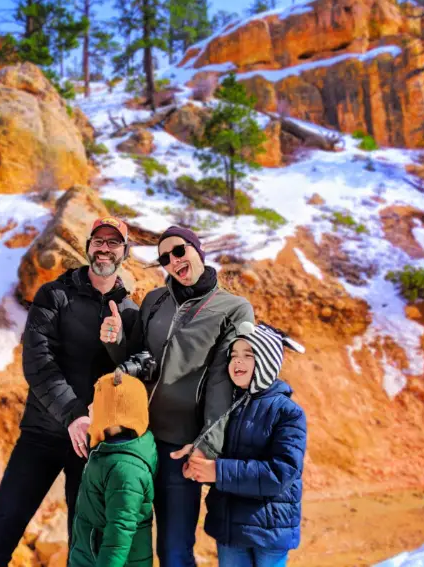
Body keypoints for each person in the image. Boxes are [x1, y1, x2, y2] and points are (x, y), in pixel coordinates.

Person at [0, 217, 139, 567]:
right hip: (41, 435)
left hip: (93, 446)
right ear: (88, 246)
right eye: (99, 240)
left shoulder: (129, 313)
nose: (105, 248)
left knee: (85, 546)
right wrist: (74, 415)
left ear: (125, 252)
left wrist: (119, 341)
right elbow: (38, 363)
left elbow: (133, 375)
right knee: (1, 534)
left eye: (114, 242)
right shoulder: (54, 294)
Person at [102, 225, 254, 567]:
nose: (173, 261)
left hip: (180, 449)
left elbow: (224, 383)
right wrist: (114, 341)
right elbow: (137, 359)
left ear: (197, 250)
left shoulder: (234, 309)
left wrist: (206, 445)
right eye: (165, 258)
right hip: (137, 439)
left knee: (173, 552)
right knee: (128, 546)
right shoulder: (156, 300)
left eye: (180, 251)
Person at [185, 322, 307, 567]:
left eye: (248, 355)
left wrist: (217, 470)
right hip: (230, 527)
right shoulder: (227, 408)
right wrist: (199, 466)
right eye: (233, 355)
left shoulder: (288, 413)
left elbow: (279, 473)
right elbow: (219, 455)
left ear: (267, 361)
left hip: (269, 530)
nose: (237, 362)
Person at [68, 368, 157, 567]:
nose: (89, 407)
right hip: (91, 556)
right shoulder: (108, 451)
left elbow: (119, 535)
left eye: (96, 401)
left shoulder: (125, 470)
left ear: (110, 413)